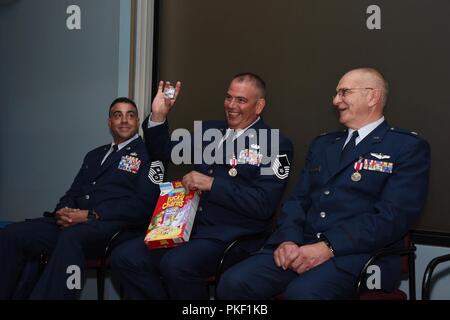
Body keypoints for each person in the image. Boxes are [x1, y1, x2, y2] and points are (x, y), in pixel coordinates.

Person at [217, 67, 431, 299]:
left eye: (344, 92)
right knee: (234, 282)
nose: (335, 100)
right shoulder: (323, 145)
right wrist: (289, 239)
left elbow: (392, 217)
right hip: (303, 245)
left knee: (303, 294)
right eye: (336, 93)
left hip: (361, 257)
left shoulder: (405, 147)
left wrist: (329, 247)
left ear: (372, 96)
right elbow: (297, 201)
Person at [110, 72, 294, 299]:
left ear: (259, 106)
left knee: (176, 265)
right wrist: (158, 116)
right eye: (229, 98)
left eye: (241, 100)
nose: (231, 105)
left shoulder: (274, 143)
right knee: (125, 256)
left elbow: (263, 204)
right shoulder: (209, 132)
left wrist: (212, 184)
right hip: (187, 228)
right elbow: (163, 151)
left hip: (232, 236)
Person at [0, 97, 161, 299]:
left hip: (111, 228)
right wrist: (63, 211)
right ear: (109, 122)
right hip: (73, 223)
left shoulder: (148, 156)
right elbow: (73, 192)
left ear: (137, 122)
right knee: (12, 234)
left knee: (72, 237)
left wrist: (91, 215)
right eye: (117, 115)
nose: (124, 120)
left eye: (130, 115)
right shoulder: (94, 155)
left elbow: (144, 205)